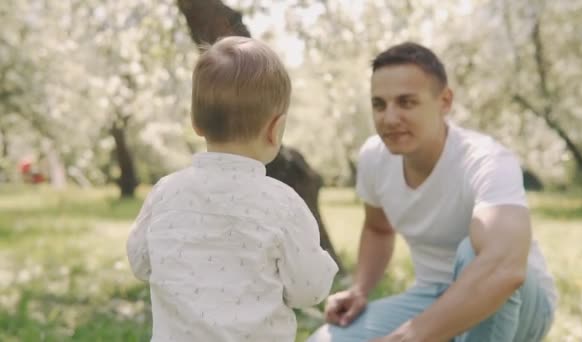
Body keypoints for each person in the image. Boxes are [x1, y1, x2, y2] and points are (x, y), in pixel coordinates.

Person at [308, 42, 556, 342]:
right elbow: (378, 229)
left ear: (445, 101)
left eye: (406, 102)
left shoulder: (486, 160)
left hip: (518, 302)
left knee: (473, 252)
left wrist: (410, 336)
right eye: (379, 104)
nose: (389, 118)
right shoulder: (374, 157)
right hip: (431, 297)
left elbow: (504, 268)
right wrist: (360, 289)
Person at [126, 36, 338, 342]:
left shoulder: (165, 193)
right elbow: (309, 290)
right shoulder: (284, 204)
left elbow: (139, 262)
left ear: (196, 123)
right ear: (275, 129)